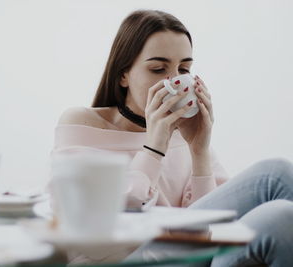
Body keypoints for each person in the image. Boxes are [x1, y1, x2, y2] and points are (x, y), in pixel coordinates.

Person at [51, 9, 293, 266]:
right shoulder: (82, 123)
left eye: (184, 68)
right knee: (273, 175)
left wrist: (199, 151)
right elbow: (103, 230)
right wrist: (154, 147)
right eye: (158, 68)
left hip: (192, 256)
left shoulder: (187, 133)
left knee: (282, 215)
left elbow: (211, 228)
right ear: (123, 75)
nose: (175, 81)